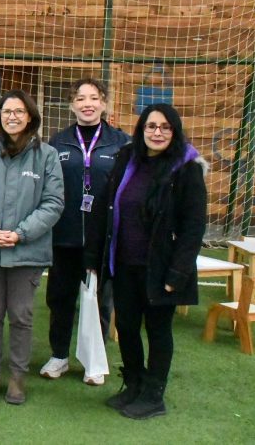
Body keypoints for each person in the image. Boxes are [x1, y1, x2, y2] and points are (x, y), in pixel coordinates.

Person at [85, 104, 207, 420]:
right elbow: (104, 207)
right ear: (141, 130)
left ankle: (154, 394)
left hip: (162, 268)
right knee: (125, 326)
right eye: (151, 126)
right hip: (123, 264)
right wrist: (93, 257)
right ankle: (134, 384)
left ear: (175, 131)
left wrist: (177, 273)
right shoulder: (128, 159)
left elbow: (194, 227)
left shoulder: (187, 168)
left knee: (157, 329)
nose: (157, 132)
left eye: (165, 127)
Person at [0, 89, 64, 405]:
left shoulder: (46, 155)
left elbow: (53, 202)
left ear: (30, 116)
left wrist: (19, 234)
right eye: (6, 112)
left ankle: (18, 377)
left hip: (26, 251)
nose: (12, 116)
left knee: (21, 315)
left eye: (19, 111)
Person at [40, 78, 129, 385]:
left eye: (94, 97)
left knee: (99, 299)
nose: (87, 103)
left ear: (104, 103)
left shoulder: (120, 142)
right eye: (81, 98)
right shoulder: (59, 140)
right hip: (64, 235)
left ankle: (94, 360)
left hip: (102, 238)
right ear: (72, 104)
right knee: (60, 297)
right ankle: (59, 355)